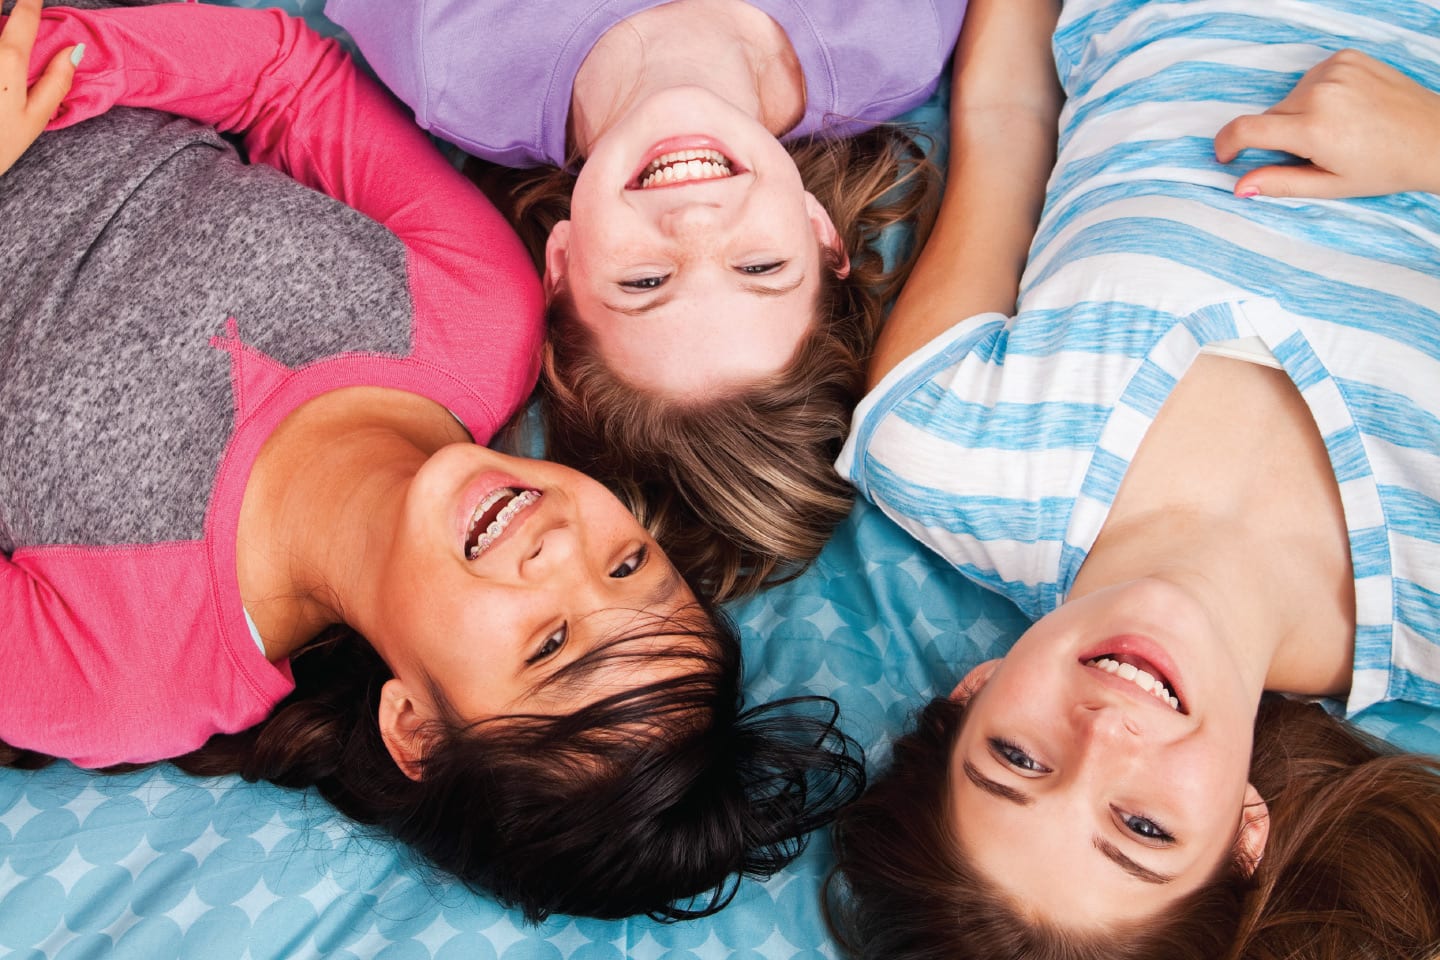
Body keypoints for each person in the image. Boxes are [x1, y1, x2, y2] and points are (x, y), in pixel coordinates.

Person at [0, 0, 863, 922]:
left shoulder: (127, 673)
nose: (563, 551)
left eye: (551, 644)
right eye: (628, 565)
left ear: (413, 726)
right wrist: (60, 66)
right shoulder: (479, 320)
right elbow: (289, 77)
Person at [825, 0, 1440, 956]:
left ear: (972, 692)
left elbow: (1004, 112)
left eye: (1016, 758)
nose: (1103, 734)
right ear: (1244, 833)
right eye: (1143, 828)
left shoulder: (940, 442)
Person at [324, 0, 955, 599]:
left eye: (645, 282)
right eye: (759, 266)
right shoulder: (895, 32)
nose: (695, 224)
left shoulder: (453, 58)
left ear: (563, 264)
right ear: (820, 231)